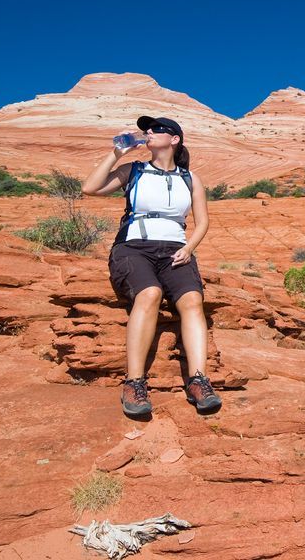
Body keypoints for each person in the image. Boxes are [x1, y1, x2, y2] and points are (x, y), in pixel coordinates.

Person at [82, 115, 222, 416]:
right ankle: (134, 382)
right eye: (147, 129)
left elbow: (203, 221)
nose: (149, 132)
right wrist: (116, 153)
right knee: (149, 294)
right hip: (133, 247)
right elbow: (90, 188)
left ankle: (199, 380)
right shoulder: (132, 170)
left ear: (174, 140)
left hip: (175, 249)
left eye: (157, 129)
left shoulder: (190, 178)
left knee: (193, 301)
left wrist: (189, 248)